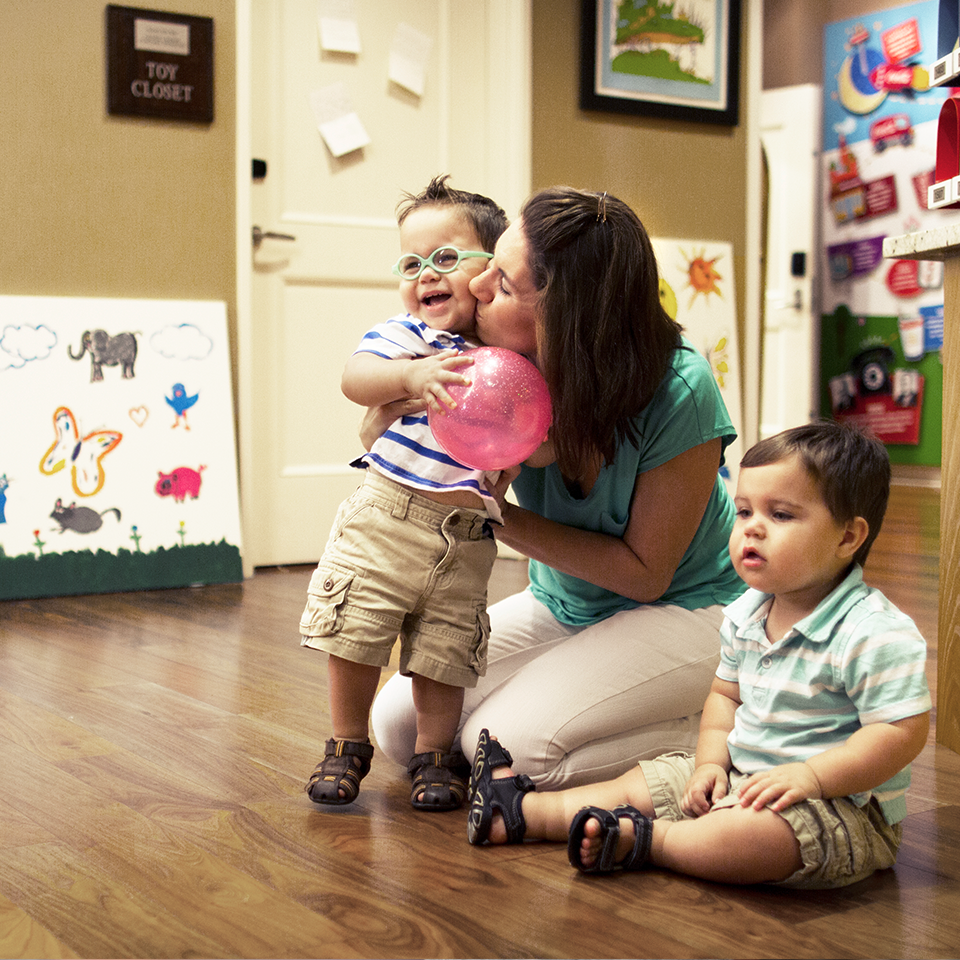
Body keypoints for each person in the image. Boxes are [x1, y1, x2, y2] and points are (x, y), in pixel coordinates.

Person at [370, 186, 746, 789]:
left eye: (506, 286)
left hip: (690, 605)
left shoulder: (681, 388)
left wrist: (492, 513)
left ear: (565, 317)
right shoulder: (491, 358)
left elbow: (645, 573)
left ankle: (721, 730)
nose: (476, 287)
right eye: (489, 264)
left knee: (507, 751)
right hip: (567, 603)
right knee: (401, 731)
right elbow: (378, 413)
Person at [465, 421, 932, 890]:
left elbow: (900, 732)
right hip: (743, 768)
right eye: (745, 511)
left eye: (782, 515)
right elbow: (725, 698)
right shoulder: (748, 613)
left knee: (752, 835)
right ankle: (525, 813)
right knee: (646, 781)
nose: (753, 529)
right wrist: (710, 763)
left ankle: (655, 842)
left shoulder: (871, 631)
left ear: (848, 538)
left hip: (836, 804)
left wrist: (812, 777)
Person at [298, 175, 509, 812]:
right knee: (356, 632)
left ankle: (434, 752)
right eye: (412, 263)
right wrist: (409, 376)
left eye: (445, 258)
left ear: (490, 270)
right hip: (386, 515)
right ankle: (345, 742)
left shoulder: (504, 353)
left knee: (445, 649)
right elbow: (355, 378)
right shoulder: (408, 337)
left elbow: (527, 423)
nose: (426, 276)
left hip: (465, 536)